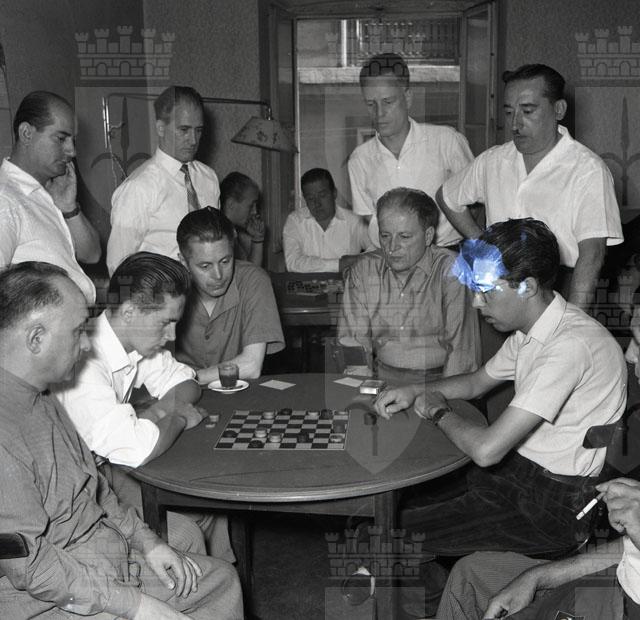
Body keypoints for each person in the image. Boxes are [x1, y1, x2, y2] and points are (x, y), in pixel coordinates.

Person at [0, 261, 242, 619]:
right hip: (52, 594)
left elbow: (95, 489)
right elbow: (33, 569)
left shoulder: (42, 395)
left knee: (220, 581)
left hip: (98, 554)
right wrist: (135, 605)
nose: (87, 344)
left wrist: (148, 542)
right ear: (36, 339)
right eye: (78, 332)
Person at [375, 218, 627, 558]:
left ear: (527, 287)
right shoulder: (535, 330)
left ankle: (440, 585)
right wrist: (414, 390)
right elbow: (477, 382)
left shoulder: (569, 346)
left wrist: (437, 410)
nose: (477, 304)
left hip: (553, 507)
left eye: (487, 291)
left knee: (385, 531)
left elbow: (487, 450)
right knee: (398, 504)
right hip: (517, 475)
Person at [52, 251, 234, 561]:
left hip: (107, 465)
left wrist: (156, 413)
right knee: (185, 534)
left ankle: (220, 578)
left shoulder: (134, 340)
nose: (172, 335)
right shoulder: (84, 363)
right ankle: (206, 585)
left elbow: (186, 382)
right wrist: (177, 417)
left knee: (210, 499)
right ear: (129, 312)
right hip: (73, 494)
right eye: (165, 322)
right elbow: (138, 450)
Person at [437, 63, 623, 307]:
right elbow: (447, 197)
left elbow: (592, 255)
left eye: (527, 110)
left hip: (561, 288)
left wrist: (572, 320)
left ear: (558, 109)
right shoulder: (493, 160)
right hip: (502, 284)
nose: (515, 124)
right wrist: (483, 244)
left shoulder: (587, 170)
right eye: (509, 112)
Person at [437, 477, 640, 620]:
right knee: (470, 574)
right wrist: (536, 577)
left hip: (623, 608)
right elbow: (627, 548)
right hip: (610, 579)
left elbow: (485, 451)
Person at [338, 187, 480, 385]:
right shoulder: (363, 271)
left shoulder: (452, 270)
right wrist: (362, 391)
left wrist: (443, 397)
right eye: (385, 235)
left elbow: (461, 354)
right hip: (381, 380)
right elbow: (354, 345)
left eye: (404, 237)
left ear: (428, 236)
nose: (392, 247)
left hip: (438, 381)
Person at [348, 52, 474, 249]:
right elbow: (368, 220)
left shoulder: (446, 141)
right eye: (371, 104)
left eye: (388, 102)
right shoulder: (360, 159)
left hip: (447, 254)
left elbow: (474, 204)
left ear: (407, 98)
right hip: (391, 257)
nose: (379, 113)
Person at [107, 85, 219, 274]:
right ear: (160, 128)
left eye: (199, 130)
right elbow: (117, 265)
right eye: (184, 130)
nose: (193, 140)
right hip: (161, 290)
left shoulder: (209, 178)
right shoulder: (139, 187)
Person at [0, 90, 100, 302]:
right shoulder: (5, 199)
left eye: (72, 140)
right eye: (61, 138)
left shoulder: (43, 191)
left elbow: (91, 255)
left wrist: (69, 207)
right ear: (26, 133)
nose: (72, 151)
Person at [176, 207, 284, 385]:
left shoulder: (254, 280)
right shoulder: (168, 288)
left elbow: (251, 365)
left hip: (234, 391)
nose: (218, 275)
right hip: (178, 395)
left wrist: (188, 379)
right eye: (205, 266)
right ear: (183, 262)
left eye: (225, 261)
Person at [283, 167, 371, 273]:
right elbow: (292, 263)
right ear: (304, 199)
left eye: (322, 195)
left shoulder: (355, 221)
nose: (317, 203)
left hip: (348, 283)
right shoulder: (295, 221)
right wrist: (339, 264)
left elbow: (376, 253)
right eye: (311, 198)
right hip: (305, 284)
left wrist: (360, 260)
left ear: (334, 193)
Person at [220, 171, 265, 266]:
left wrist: (257, 239)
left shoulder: (233, 232)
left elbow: (251, 272)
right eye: (251, 206)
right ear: (231, 204)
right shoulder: (218, 237)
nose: (255, 212)